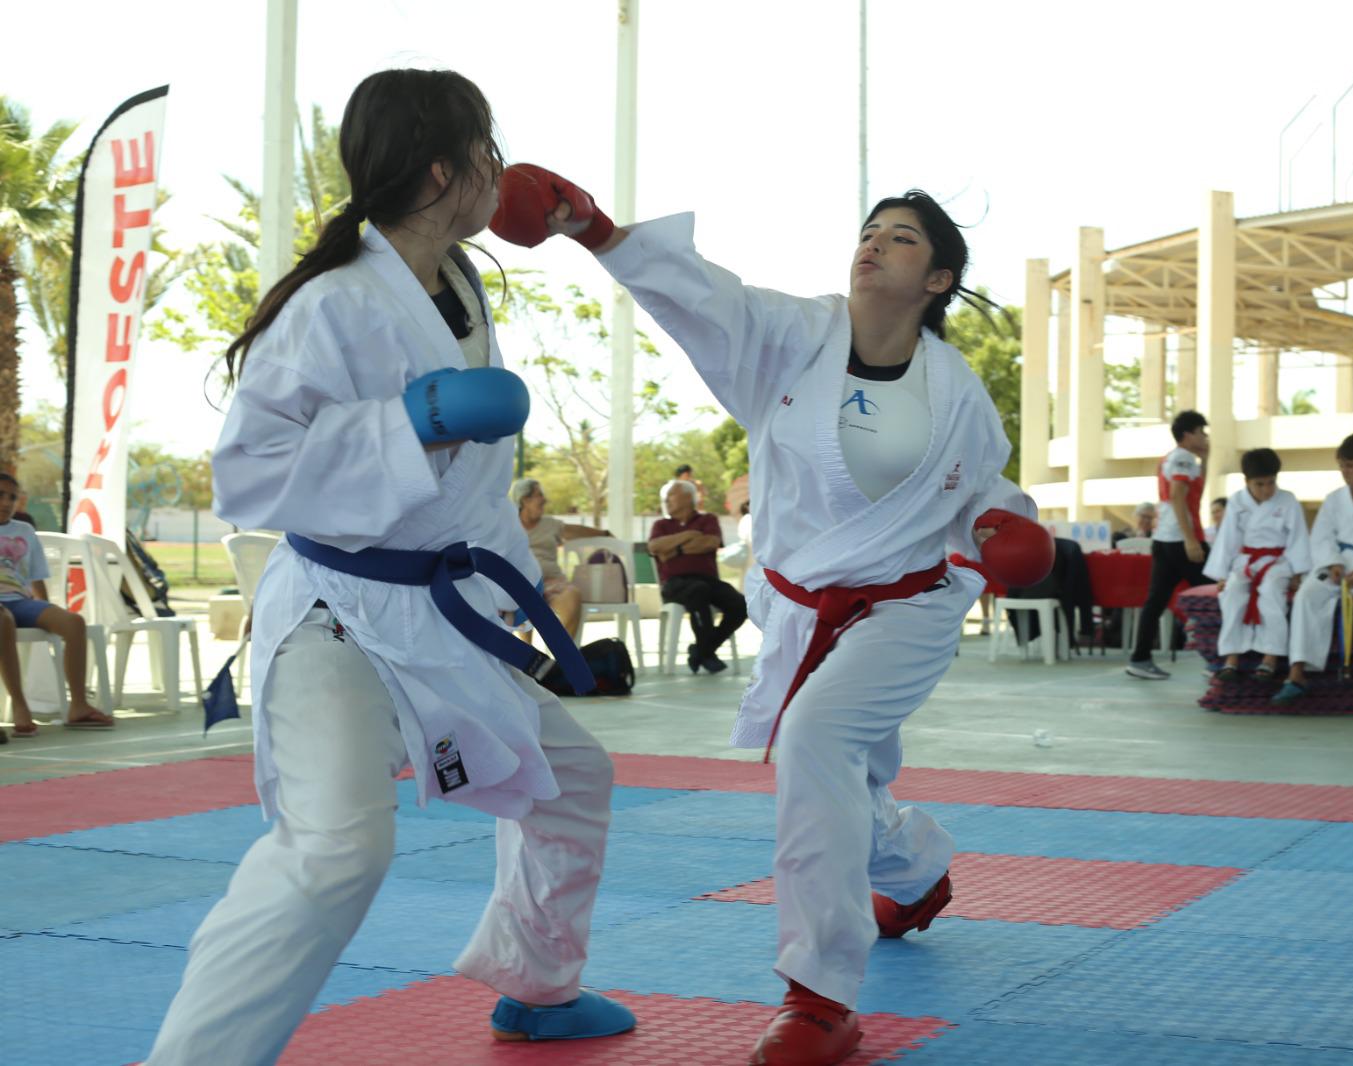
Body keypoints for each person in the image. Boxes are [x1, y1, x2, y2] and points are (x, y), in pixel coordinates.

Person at [492, 171, 1052, 1065]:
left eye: (902, 237)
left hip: (908, 607)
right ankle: (912, 875)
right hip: (797, 607)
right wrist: (597, 231)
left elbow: (984, 482)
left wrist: (1004, 523)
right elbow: (709, 299)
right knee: (847, 780)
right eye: (871, 229)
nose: (875, 242)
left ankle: (820, 997)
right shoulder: (795, 339)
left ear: (938, 279)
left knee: (816, 744)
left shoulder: (958, 394)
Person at [146, 71, 633, 1065]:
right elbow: (249, 473)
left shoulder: (452, 281)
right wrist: (406, 425)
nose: (501, 173)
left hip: (436, 615)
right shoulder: (330, 303)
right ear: (446, 169)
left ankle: (535, 984)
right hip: (337, 617)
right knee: (336, 850)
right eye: (487, 152)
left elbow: (467, 499)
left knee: (573, 778)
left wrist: (589, 227)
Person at [1275, 434, 1353, 704]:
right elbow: (1321, 537)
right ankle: (1297, 673)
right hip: (1338, 563)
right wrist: (1334, 562)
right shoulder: (1334, 499)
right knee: (1307, 595)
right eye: (1342, 466)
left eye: (1351, 465)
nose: (1345, 472)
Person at [0, 472, 112, 737]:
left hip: (19, 601)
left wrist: (47, 612)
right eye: (0, 495)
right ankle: (20, 703)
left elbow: (36, 577)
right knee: (2, 621)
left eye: (12, 497)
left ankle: (79, 706)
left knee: (74, 622)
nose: (6, 502)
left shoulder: (24, 531)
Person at [1202, 449, 1309, 680]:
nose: (1267, 489)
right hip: (1246, 560)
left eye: (1271, 483)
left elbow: (1298, 538)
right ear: (1246, 481)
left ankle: (1270, 655)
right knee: (1231, 592)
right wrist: (1222, 573)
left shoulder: (1288, 500)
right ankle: (1231, 656)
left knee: (1271, 591)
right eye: (1260, 484)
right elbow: (1228, 540)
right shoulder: (1237, 502)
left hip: (1278, 561)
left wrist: (1298, 573)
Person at [1126, 410, 1210, 679]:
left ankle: (1139, 658)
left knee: (1156, 602)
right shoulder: (1183, 457)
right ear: (1188, 435)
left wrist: (1206, 460)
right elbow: (1178, 497)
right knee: (1217, 595)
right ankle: (1221, 661)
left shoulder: (1173, 458)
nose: (1205, 437)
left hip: (1164, 539)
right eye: (1201, 432)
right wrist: (1190, 540)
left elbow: (1193, 495)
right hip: (1179, 540)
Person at [649, 478, 746, 673]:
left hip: (708, 580)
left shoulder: (708, 519)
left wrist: (674, 551)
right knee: (697, 591)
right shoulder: (661, 524)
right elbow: (654, 546)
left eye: (671, 496)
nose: (666, 500)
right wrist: (691, 534)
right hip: (674, 583)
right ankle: (706, 654)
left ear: (687, 497)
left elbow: (710, 542)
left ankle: (701, 650)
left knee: (740, 605)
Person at [509, 477, 610, 637]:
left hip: (552, 581)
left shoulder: (550, 524)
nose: (544, 500)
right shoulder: (509, 526)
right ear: (525, 499)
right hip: (522, 583)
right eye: (539, 495)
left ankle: (562, 658)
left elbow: (576, 531)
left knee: (572, 595)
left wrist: (604, 534)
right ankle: (529, 658)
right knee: (522, 599)